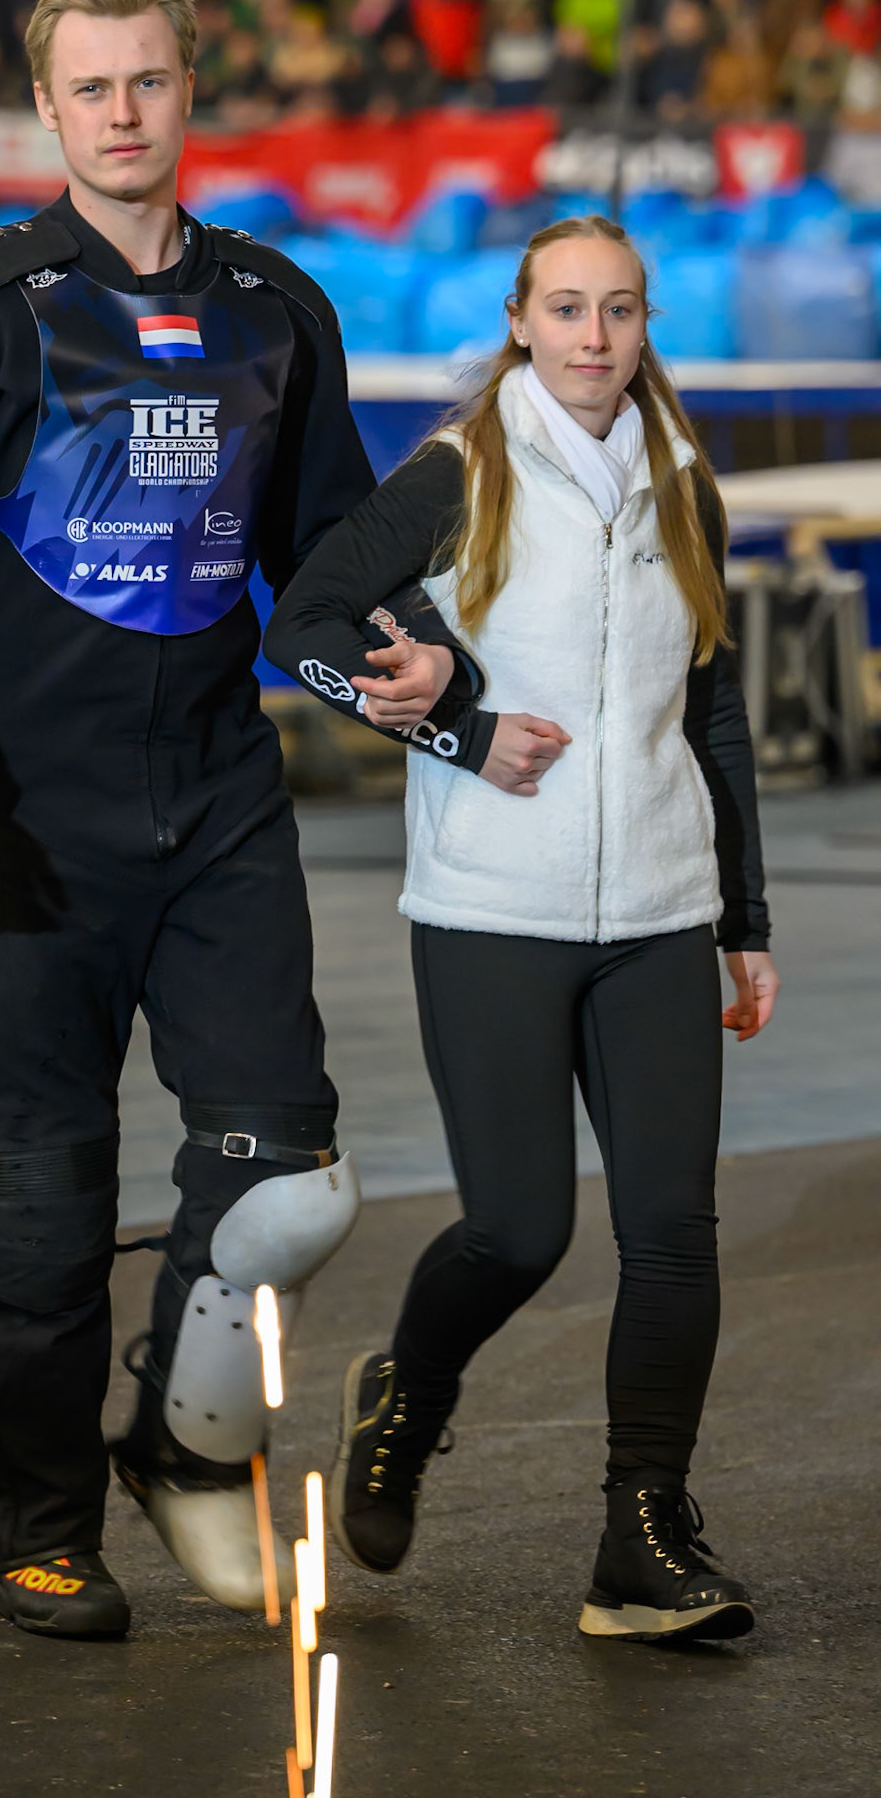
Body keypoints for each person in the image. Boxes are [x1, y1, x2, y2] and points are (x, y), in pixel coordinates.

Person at [0, 0, 475, 1641]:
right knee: (40, 1195)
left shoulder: (277, 307)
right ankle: (34, 1529)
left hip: (223, 809)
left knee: (284, 1176)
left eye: (150, 80)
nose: (123, 112)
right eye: (91, 86)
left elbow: (324, 564)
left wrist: (410, 659)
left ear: (191, 89)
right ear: (48, 107)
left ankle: (181, 1447)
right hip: (24, 828)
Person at [265, 215, 780, 1646]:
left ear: (646, 323)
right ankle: (407, 1394)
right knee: (519, 1228)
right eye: (565, 309)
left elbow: (714, 708)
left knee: (672, 1232)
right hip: (494, 907)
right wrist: (456, 726)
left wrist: (742, 914)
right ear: (518, 319)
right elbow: (299, 623)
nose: (593, 337)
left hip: (661, 911)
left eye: (618, 310)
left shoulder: (682, 481)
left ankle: (640, 1537)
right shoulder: (460, 472)